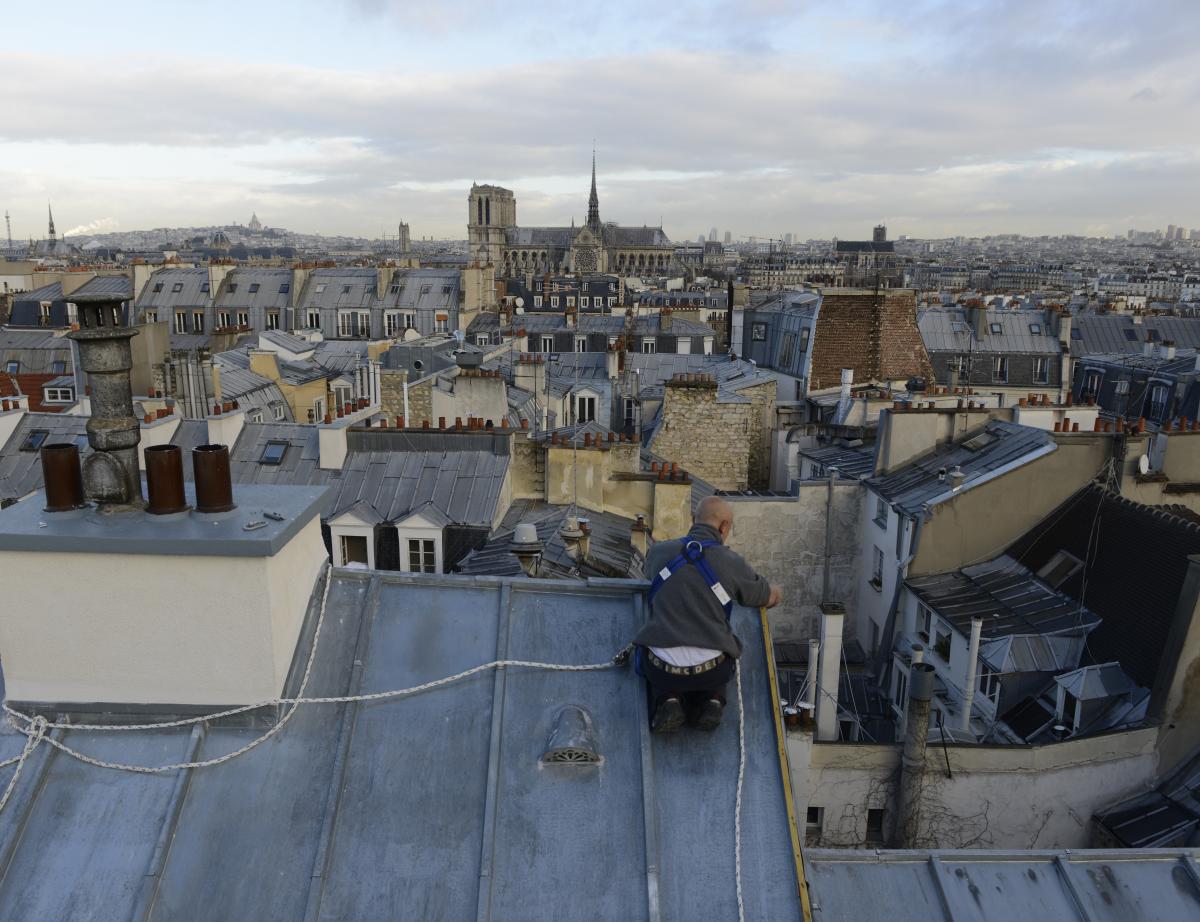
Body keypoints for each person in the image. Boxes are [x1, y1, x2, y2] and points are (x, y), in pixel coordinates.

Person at [632, 495, 782, 732]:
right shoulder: (732, 561)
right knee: (723, 655)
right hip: (711, 671)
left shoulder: (659, 552)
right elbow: (765, 596)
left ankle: (668, 699)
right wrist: (776, 592)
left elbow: (649, 573)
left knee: (650, 658)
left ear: (693, 520)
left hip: (662, 669)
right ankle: (713, 700)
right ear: (724, 527)